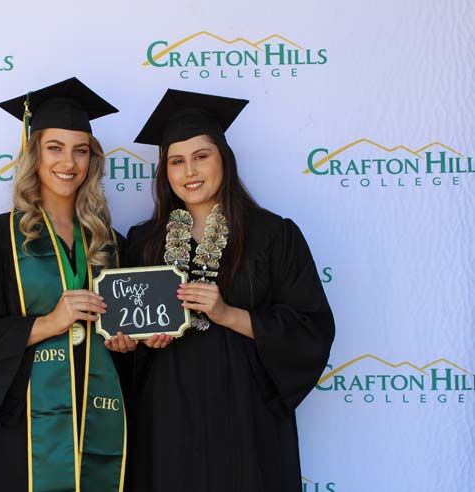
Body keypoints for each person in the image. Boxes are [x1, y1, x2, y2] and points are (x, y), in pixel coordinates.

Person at [122, 89, 335, 492]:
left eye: (202, 156)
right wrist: (135, 343)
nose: (190, 171)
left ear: (224, 158)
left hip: (246, 416)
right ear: (164, 172)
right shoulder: (141, 242)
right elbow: (124, 336)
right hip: (164, 417)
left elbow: (311, 328)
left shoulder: (274, 235)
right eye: (177, 161)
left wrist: (228, 315)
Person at [0, 77, 136, 492]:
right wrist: (47, 323)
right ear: (34, 154)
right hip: (27, 432)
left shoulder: (112, 244)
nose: (69, 162)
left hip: (103, 421)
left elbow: (135, 348)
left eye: (81, 150)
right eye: (55, 148)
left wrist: (128, 345)